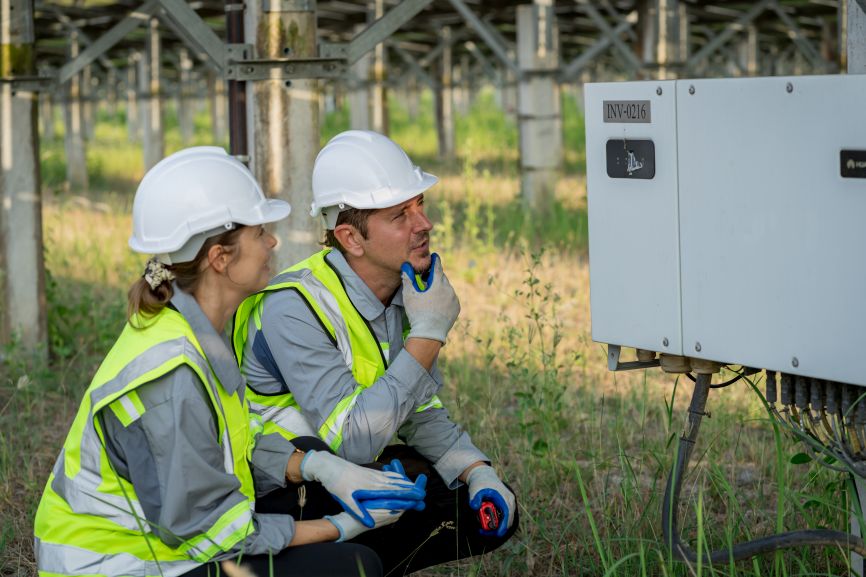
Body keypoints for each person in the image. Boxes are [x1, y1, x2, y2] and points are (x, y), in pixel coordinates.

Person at [33, 146, 428, 577]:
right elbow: (215, 531)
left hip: (149, 553)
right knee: (354, 565)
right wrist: (338, 527)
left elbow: (220, 445)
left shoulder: (188, 329)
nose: (272, 242)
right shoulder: (172, 375)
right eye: (260, 233)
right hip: (115, 566)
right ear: (221, 258)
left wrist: (313, 466)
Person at [233, 130, 518, 575]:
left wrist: (478, 471)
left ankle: (361, 565)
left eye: (420, 204)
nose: (423, 224)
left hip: (336, 469)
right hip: (275, 483)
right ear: (350, 237)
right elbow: (353, 440)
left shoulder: (400, 293)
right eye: (400, 215)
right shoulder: (294, 306)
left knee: (473, 509)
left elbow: (418, 408)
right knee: (387, 490)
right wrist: (427, 335)